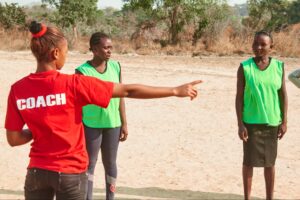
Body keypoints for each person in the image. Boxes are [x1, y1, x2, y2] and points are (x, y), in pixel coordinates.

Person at [4, 21, 202, 200]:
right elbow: (128, 90)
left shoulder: (18, 89)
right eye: (66, 51)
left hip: (36, 173)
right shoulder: (73, 84)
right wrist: (175, 90)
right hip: (70, 173)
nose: (66, 55)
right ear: (56, 53)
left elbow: (13, 139)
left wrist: (37, 131)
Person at [235, 31, 288, 200]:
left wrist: (284, 121)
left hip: (272, 122)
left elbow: (283, 95)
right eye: (255, 44)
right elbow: (239, 97)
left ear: (271, 47)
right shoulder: (245, 67)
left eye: (263, 44)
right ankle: (247, 197)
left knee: (270, 164)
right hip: (250, 122)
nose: (258, 47)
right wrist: (240, 124)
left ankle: (269, 198)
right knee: (248, 163)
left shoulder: (279, 66)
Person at [75, 32, 127, 200]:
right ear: (95, 49)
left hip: (113, 123)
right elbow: (77, 102)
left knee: (110, 164)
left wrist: (124, 123)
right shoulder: (82, 71)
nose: (109, 51)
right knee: (89, 164)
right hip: (91, 124)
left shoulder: (116, 67)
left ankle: (110, 198)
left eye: (110, 47)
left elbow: (121, 96)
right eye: (106, 48)